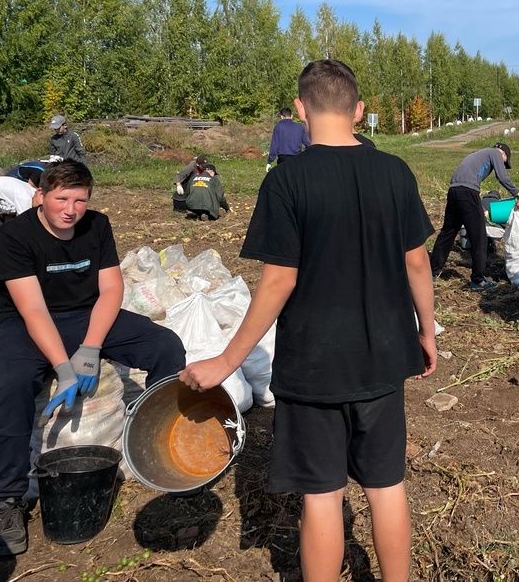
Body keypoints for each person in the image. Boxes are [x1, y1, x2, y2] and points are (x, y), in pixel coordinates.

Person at [179, 59, 437, 582]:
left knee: (323, 495)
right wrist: (426, 331)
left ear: (300, 110)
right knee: (386, 485)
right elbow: (416, 262)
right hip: (383, 356)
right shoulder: (395, 172)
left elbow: (278, 281)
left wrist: (229, 360)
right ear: (359, 111)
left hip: (314, 364)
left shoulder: (287, 181)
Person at [0, 161, 186, 556]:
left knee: (166, 347)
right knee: (11, 386)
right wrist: (63, 367)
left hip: (87, 313)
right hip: (27, 321)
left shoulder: (97, 225)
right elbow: (33, 310)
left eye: (80, 199)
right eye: (61, 198)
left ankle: (156, 442)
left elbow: (111, 290)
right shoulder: (14, 236)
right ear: (40, 196)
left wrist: (91, 349)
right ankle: (8, 499)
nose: (70, 209)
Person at [429, 143, 518, 290]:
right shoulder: (495, 153)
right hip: (468, 192)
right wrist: (517, 193)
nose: (502, 163)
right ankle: (478, 280)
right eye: (505, 161)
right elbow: (502, 177)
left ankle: (432, 272)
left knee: (448, 232)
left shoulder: (477, 153)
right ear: (503, 153)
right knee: (479, 236)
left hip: (454, 191)